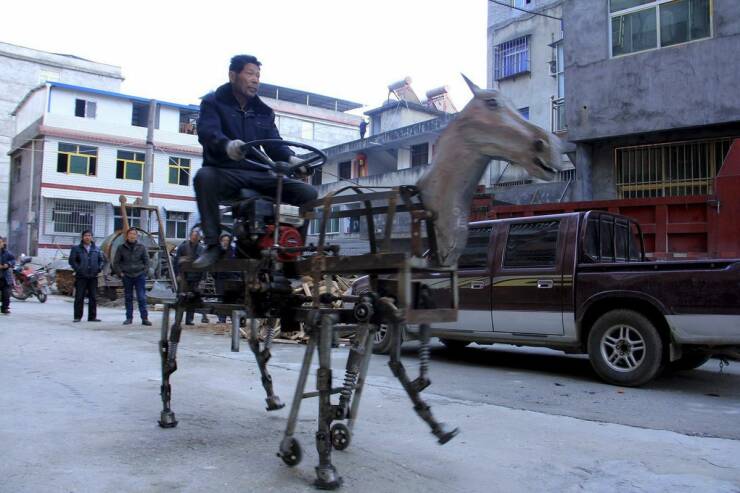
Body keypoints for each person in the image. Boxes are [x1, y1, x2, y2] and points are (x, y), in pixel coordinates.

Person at [193, 54, 318, 268]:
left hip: (257, 173)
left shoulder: (263, 111)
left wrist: (293, 159)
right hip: (226, 171)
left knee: (308, 193)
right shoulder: (212, 102)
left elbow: (274, 145)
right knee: (204, 177)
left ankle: (292, 250)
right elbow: (207, 132)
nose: (255, 79)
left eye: (258, 75)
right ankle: (213, 244)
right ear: (233, 75)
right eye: (250, 73)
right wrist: (226, 145)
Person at [113, 228, 152, 326]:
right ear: (127, 236)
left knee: (142, 297)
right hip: (127, 276)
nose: (132, 236)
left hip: (139, 275)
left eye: (134, 234)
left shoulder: (141, 247)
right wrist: (120, 273)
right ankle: (129, 318)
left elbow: (147, 261)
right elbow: (116, 262)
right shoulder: (121, 248)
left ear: (136, 236)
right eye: (130, 234)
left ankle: (144, 318)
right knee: (128, 297)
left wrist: (144, 272)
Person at [68, 230, 104, 322]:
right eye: (85, 235)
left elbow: (102, 260)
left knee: (93, 297)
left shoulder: (96, 249)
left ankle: (92, 317)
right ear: (82, 237)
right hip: (81, 276)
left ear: (92, 237)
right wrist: (78, 269)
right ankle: (77, 317)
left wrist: (98, 268)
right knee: (79, 296)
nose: (87, 237)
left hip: (93, 276)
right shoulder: (76, 249)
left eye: (89, 235)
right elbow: (72, 261)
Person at [174, 228, 206, 325]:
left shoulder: (201, 249)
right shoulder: (183, 247)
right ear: (190, 236)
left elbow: (204, 264)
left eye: (196, 236)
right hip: (184, 277)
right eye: (193, 235)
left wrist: (203, 279)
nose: (194, 237)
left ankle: (189, 319)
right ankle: (178, 319)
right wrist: (177, 274)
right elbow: (176, 262)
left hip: (196, 277)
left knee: (192, 298)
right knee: (181, 297)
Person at [214, 233, 236, 323]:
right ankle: (222, 318)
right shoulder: (217, 252)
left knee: (231, 298)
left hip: (231, 278)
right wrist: (215, 275)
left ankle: (232, 317)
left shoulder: (234, 251)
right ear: (221, 241)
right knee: (220, 298)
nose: (226, 242)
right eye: (224, 240)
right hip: (220, 278)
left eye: (227, 240)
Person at [0, 236, 16, 315]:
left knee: (6, 294)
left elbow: (13, 260)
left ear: (3, 243)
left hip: (5, 277)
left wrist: (8, 264)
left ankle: (5, 308)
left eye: (0, 242)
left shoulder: (7, 253)